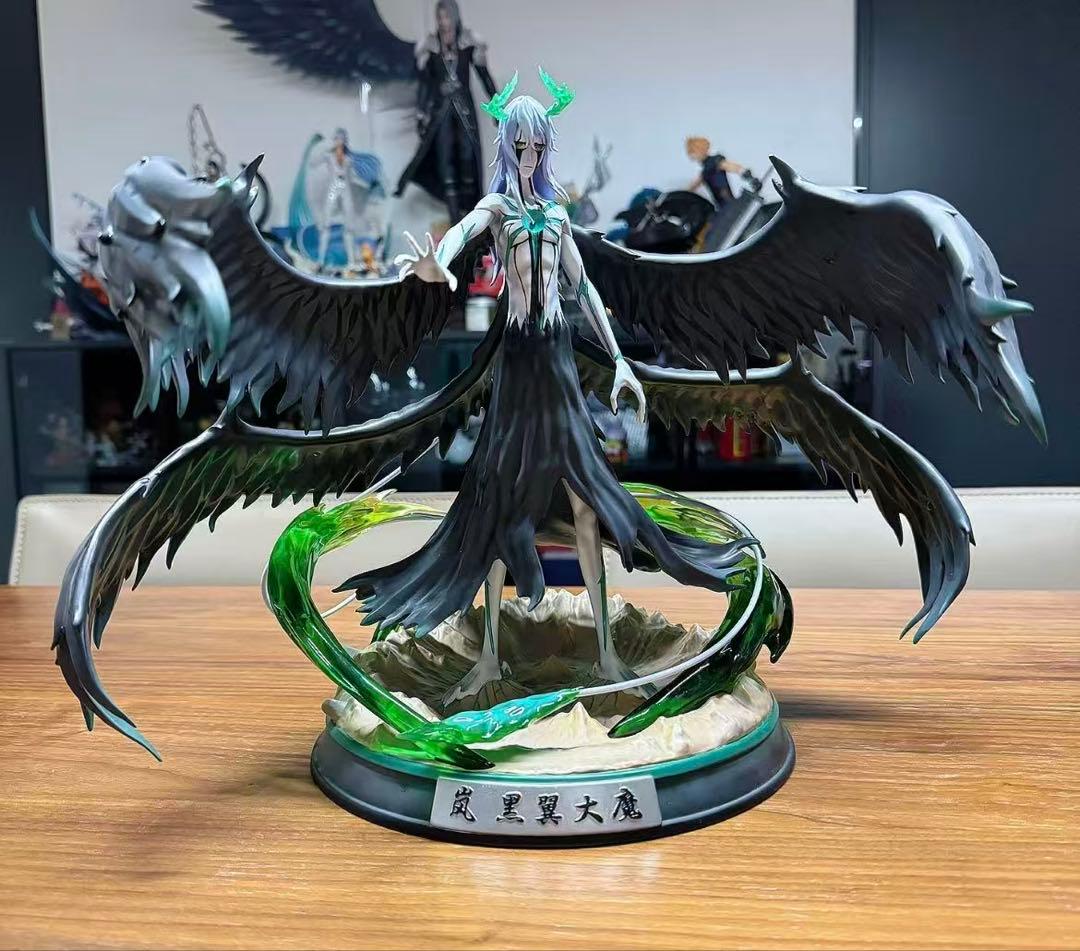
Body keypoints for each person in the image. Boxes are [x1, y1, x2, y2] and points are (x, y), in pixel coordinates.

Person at [394, 0, 498, 223]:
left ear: (455, 17)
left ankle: (473, 219)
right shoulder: (431, 46)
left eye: (447, 17)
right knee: (446, 162)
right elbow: (425, 85)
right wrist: (421, 114)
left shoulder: (468, 42)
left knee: (468, 159)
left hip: (464, 111)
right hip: (441, 113)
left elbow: (484, 76)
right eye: (440, 17)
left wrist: (497, 106)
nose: (444, 22)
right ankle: (455, 222)